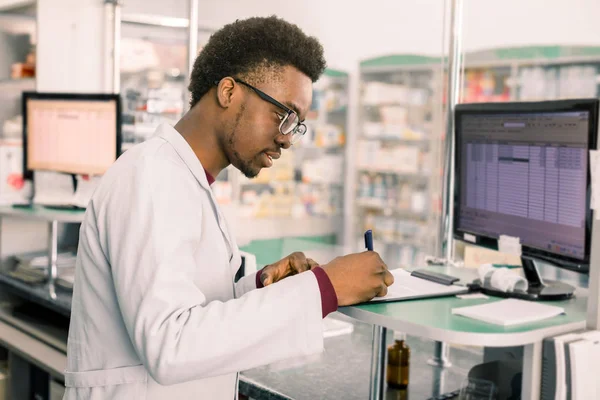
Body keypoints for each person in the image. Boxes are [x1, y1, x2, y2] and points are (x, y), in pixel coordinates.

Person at [64, 16, 394, 399]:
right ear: (227, 91)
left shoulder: (189, 180)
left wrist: (260, 287)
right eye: (283, 114)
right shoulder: (150, 177)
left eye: (297, 124)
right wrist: (325, 287)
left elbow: (192, 306)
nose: (287, 139)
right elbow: (171, 345)